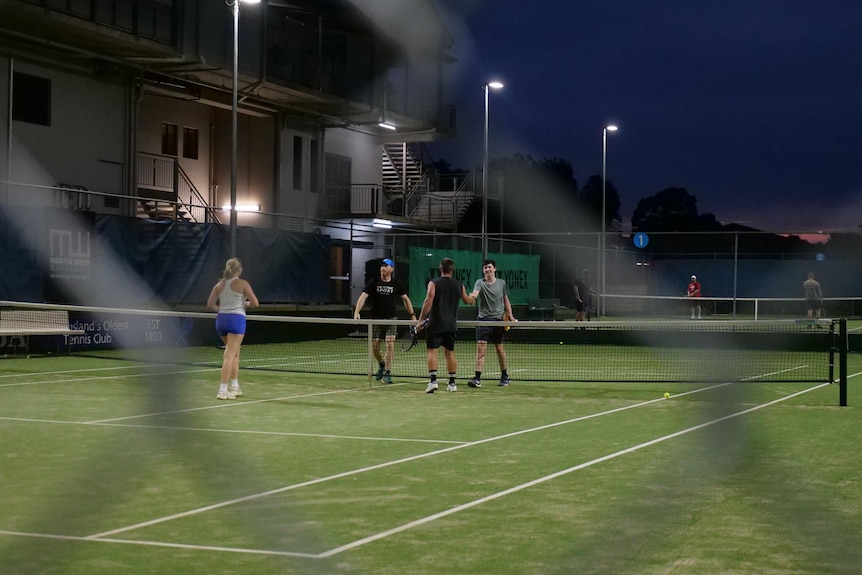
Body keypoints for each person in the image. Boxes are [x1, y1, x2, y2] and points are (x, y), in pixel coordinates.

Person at [416, 257, 475, 393]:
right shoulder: (459, 285)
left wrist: (420, 320)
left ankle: (433, 381)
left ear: (440, 269)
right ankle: (452, 384)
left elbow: (428, 301)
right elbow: (467, 300)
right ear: (452, 270)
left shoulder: (433, 283)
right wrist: (472, 299)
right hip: (451, 326)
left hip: (435, 324)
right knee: (449, 353)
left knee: (432, 351)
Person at [353, 258, 416, 384]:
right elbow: (363, 296)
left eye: (386, 266)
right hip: (375, 318)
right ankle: (381, 364)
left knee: (390, 344)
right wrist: (356, 312)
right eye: (382, 266)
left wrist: (413, 315)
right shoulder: (374, 282)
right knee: (375, 346)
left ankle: (387, 373)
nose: (383, 268)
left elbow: (405, 299)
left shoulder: (396, 283)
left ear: (391, 269)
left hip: (391, 318)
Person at [207, 257, 259, 400]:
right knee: (230, 354)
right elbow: (255, 303)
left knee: (235, 353)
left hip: (221, 321)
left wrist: (223, 309)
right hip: (236, 320)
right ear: (239, 270)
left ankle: (234, 387)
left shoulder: (219, 285)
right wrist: (245, 304)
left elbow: (210, 304)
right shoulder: (243, 283)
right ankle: (222, 390)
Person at [467, 259, 516, 388]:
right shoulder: (479, 283)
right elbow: (475, 294)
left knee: (499, 349)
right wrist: (471, 297)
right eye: (485, 268)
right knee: (481, 350)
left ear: (494, 269)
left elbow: (506, 300)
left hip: (498, 321)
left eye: (489, 267)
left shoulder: (502, 283)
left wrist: (510, 315)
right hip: (483, 320)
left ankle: (505, 376)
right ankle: (477, 379)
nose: (487, 269)